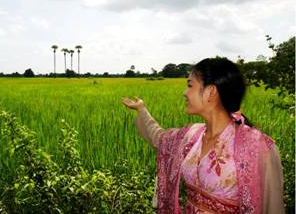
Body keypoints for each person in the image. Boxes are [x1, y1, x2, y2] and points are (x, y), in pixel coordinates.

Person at [121, 57, 284, 213]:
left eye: (190, 85)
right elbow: (161, 139)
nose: (185, 93)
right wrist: (141, 109)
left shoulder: (259, 147)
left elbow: (272, 207)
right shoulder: (192, 135)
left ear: (211, 92)